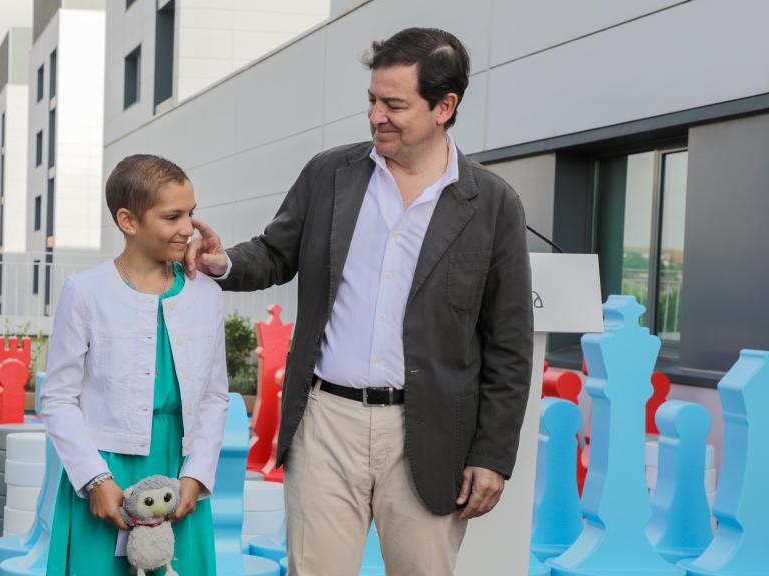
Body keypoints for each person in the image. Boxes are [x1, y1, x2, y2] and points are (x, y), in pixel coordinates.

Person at [185, 27, 533, 576]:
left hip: (433, 432)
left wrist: (492, 456)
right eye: (372, 100)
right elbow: (276, 252)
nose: (376, 117)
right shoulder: (330, 174)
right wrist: (220, 263)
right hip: (326, 421)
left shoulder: (492, 205)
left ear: (445, 106)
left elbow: (509, 346)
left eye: (394, 104)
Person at [41, 154, 228, 575]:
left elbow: (216, 394)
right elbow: (57, 398)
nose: (187, 228)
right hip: (107, 469)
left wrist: (196, 477)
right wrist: (95, 480)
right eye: (172, 216)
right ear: (128, 221)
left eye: (191, 214)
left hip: (180, 469)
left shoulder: (205, 294)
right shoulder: (86, 291)